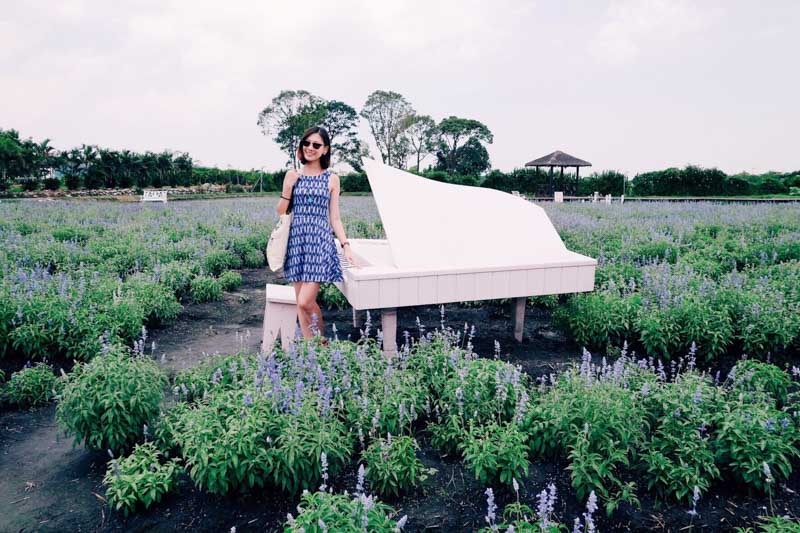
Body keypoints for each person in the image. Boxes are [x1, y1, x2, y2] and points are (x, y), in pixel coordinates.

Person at [277, 126, 358, 339]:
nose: (310, 148)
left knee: (305, 301)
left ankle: (321, 346)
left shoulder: (332, 179)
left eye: (316, 145)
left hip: (319, 244)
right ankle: (308, 350)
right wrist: (287, 189)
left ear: (325, 150)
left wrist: (345, 244)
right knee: (301, 304)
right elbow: (281, 211)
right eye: (306, 143)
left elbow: (335, 218)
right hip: (297, 243)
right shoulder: (293, 175)